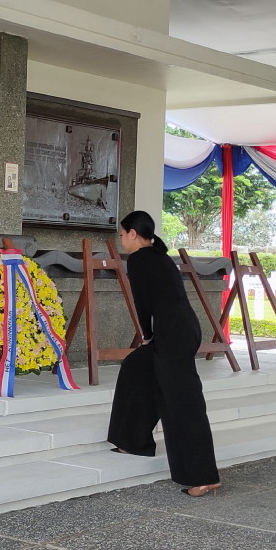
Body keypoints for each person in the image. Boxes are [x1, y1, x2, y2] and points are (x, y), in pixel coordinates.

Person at [107, 210, 221, 497]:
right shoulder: (160, 256)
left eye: (122, 234)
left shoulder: (139, 259)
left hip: (172, 335)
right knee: (137, 367)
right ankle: (132, 440)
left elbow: (143, 303)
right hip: (184, 329)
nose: (121, 240)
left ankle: (202, 476)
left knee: (181, 401)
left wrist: (147, 335)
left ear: (133, 233)